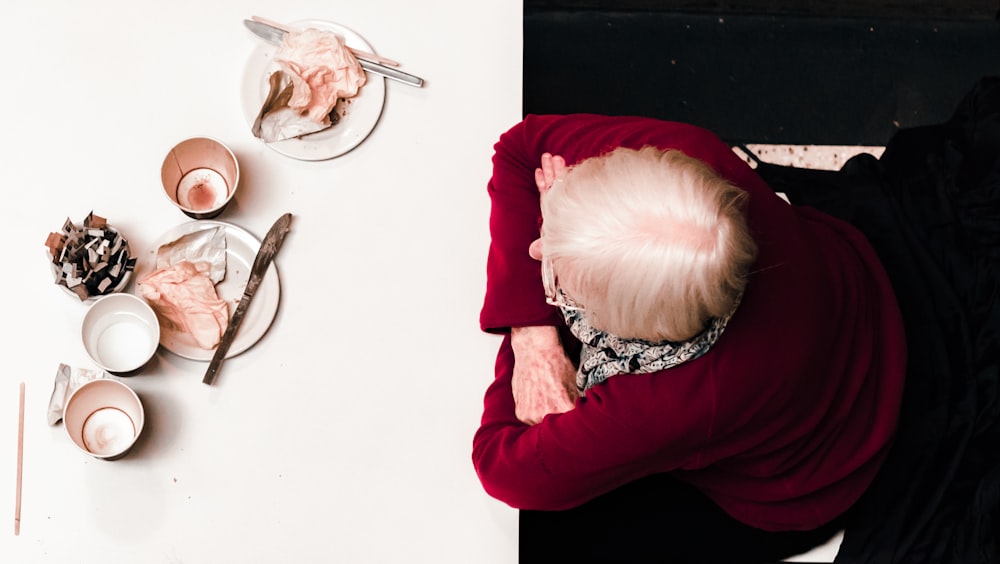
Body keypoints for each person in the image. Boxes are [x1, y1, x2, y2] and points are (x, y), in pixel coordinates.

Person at [472, 114, 908, 562]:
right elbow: (519, 149)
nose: (535, 249)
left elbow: (503, 470)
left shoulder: (670, 402)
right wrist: (535, 339)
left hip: (816, 472)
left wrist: (532, 289)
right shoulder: (685, 159)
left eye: (560, 281)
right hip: (849, 289)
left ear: (635, 326)